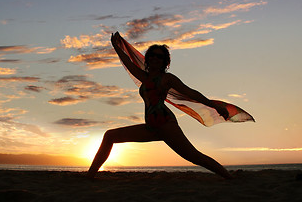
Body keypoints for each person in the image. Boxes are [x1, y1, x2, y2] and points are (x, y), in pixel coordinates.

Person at [87, 31, 233, 179]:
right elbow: (128, 63)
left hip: (166, 124)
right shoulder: (144, 77)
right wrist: (116, 47)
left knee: (194, 156)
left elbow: (191, 93)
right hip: (151, 126)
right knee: (110, 136)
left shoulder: (167, 79)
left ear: (165, 62)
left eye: (160, 56)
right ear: (148, 59)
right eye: (152, 55)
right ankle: (90, 176)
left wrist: (215, 106)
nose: (155, 58)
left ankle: (228, 177)